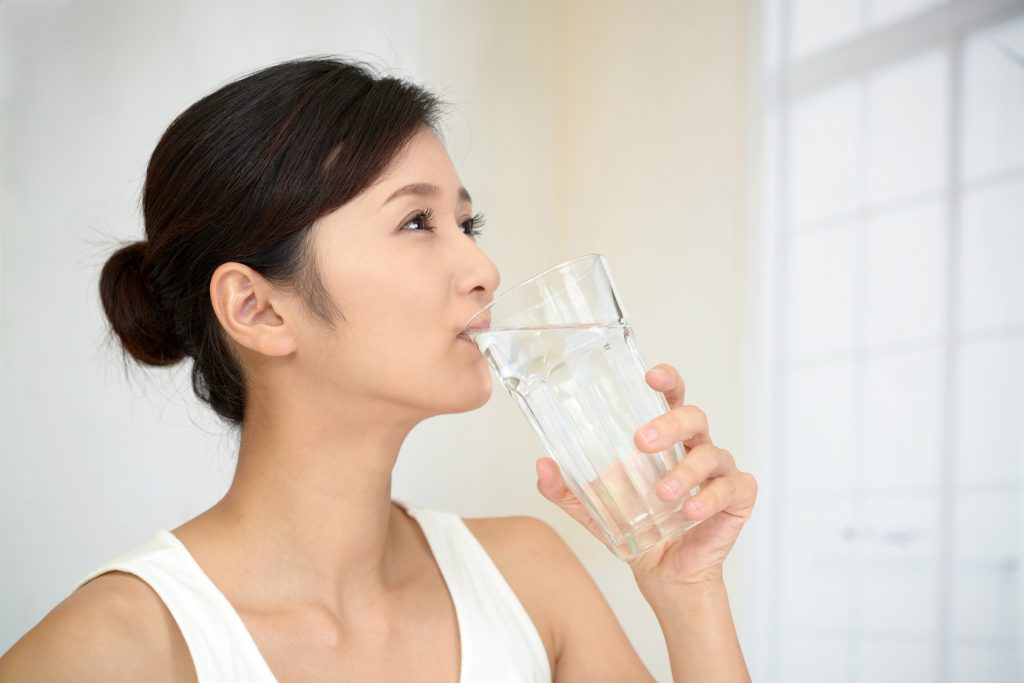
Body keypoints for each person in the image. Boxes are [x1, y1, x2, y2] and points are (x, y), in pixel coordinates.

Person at [0, 57, 757, 682]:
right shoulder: (110, 652)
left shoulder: (531, 578)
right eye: (416, 222)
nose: (484, 268)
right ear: (258, 308)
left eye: (467, 223)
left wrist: (686, 591)